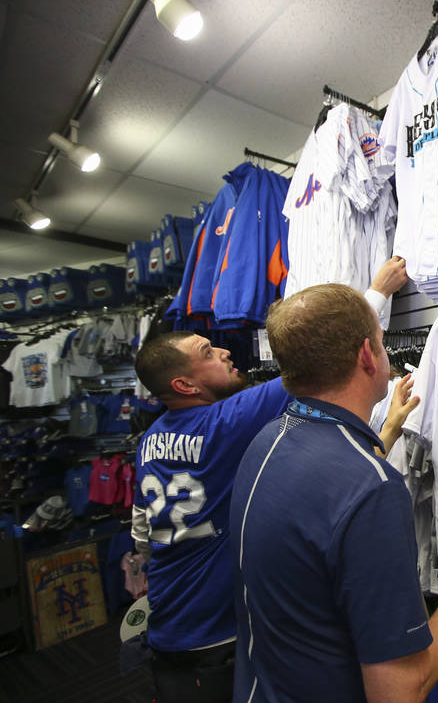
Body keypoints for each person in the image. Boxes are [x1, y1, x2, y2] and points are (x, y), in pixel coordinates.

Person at [131, 258, 408, 703]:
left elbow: (141, 532)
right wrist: (375, 292)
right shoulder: (226, 423)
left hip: (168, 619)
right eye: (208, 354)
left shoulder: (149, 441)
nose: (223, 351)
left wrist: (388, 429)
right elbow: (320, 365)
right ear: (184, 385)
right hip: (215, 636)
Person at [229, 283, 438, 703]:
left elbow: (327, 498)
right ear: (368, 355)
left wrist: (386, 432)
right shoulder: (374, 490)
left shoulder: (266, 441)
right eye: (384, 344)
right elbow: (402, 690)